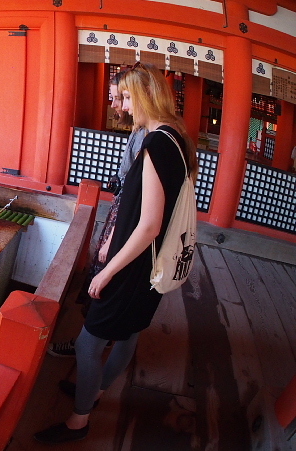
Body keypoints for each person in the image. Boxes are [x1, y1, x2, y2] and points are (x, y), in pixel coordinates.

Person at [34, 63, 197, 444]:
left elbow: (149, 224)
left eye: (124, 96)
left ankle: (80, 421)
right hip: (150, 263)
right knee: (127, 335)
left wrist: (108, 271)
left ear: (143, 95)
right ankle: (96, 392)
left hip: (136, 264)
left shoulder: (156, 143)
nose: (120, 105)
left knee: (90, 343)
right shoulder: (177, 137)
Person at [48, 70, 148, 357]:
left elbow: (137, 194)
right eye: (116, 98)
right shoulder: (139, 130)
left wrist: (111, 238)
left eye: (121, 98)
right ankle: (99, 342)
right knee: (105, 280)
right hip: (123, 211)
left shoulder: (149, 136)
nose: (117, 106)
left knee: (105, 280)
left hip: (127, 217)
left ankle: (88, 346)